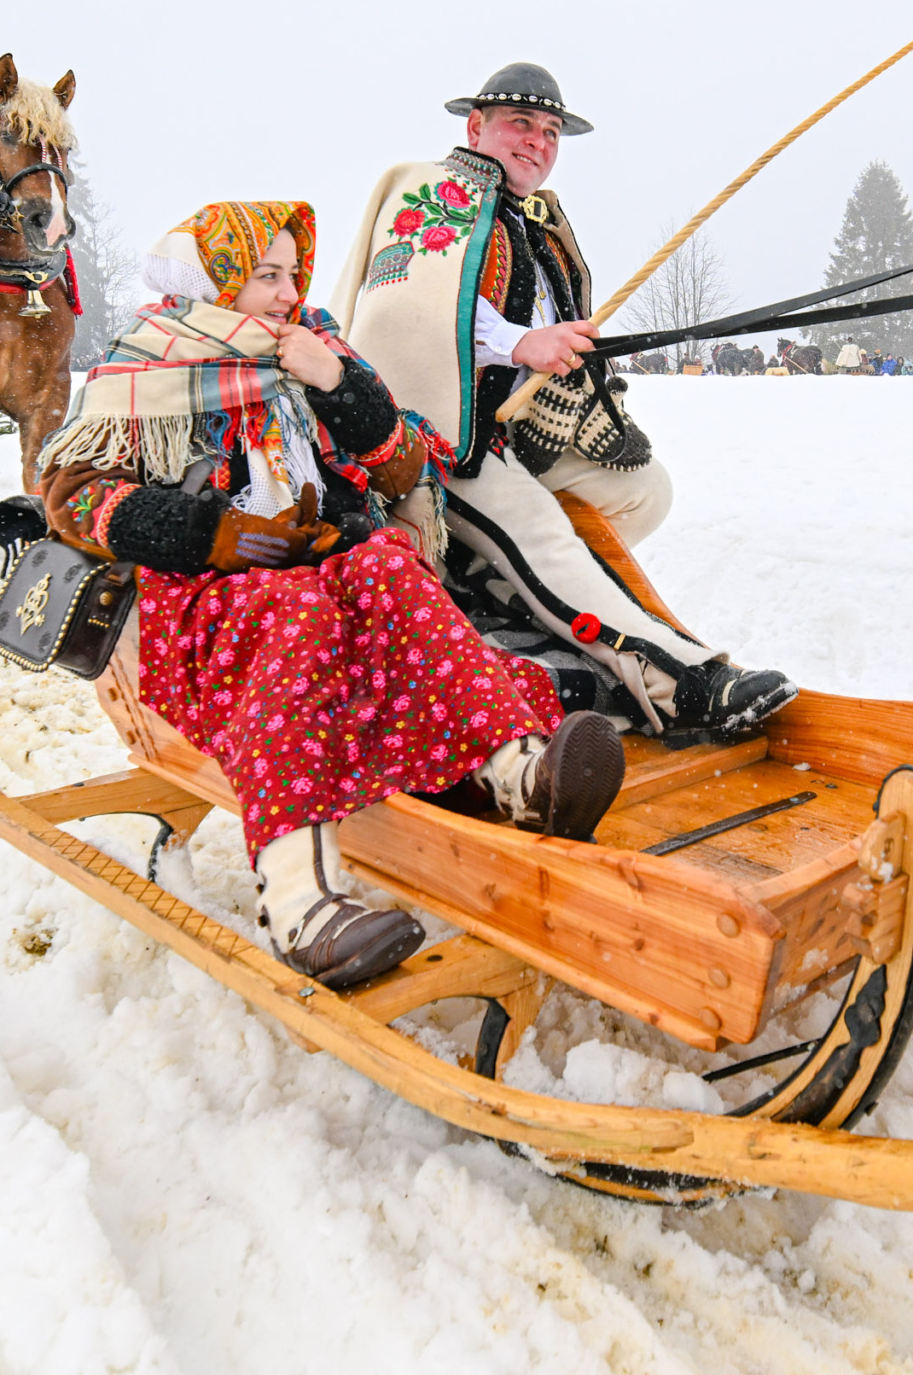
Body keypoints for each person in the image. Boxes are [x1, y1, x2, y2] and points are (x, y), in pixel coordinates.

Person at [33, 201, 626, 991]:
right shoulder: (149, 364)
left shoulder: (313, 347)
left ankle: (521, 776)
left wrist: (337, 383)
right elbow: (72, 495)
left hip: (321, 565)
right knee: (297, 611)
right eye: (265, 276)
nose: (288, 293)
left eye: (292, 274)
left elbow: (399, 464)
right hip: (210, 597)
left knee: (387, 567)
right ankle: (299, 905)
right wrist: (207, 531)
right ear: (215, 282)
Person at [327, 64, 795, 739]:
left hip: (514, 435)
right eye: (521, 123)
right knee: (542, 532)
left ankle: (505, 588)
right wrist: (520, 343)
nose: (538, 141)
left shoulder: (530, 220)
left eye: (551, 131)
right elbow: (407, 312)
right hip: (438, 443)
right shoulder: (431, 192)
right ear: (475, 127)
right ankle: (682, 681)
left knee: (644, 492)